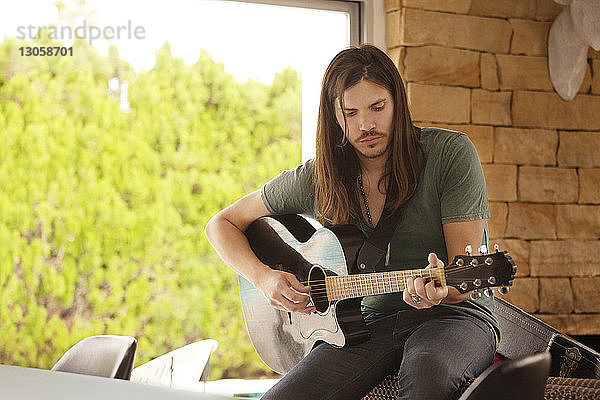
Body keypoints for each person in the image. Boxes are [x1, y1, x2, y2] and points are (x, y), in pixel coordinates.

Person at [205, 44, 497, 400]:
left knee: (426, 373)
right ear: (334, 117)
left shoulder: (451, 155)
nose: (366, 125)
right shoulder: (319, 178)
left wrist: (443, 289)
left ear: (398, 104)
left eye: (378, 107)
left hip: (455, 317)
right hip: (362, 326)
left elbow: (465, 280)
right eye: (350, 113)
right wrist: (263, 277)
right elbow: (221, 224)